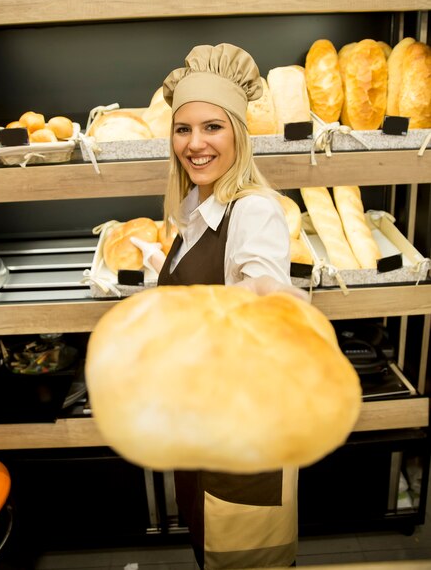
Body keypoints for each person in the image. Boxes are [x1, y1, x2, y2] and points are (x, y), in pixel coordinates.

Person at [131, 43, 306, 569]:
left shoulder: (252, 210)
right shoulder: (197, 204)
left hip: (240, 434)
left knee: (243, 556)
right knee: (209, 547)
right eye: (183, 130)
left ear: (239, 134)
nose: (195, 143)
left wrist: (263, 299)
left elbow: (260, 286)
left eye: (213, 127)